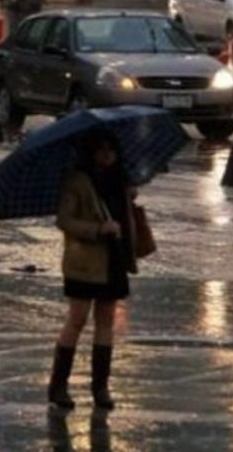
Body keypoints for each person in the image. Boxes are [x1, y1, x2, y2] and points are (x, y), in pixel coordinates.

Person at [48, 131, 139, 411]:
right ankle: (58, 384)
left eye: (111, 149)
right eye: (101, 149)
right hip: (85, 262)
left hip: (114, 259)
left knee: (105, 321)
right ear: (90, 152)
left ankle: (100, 387)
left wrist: (129, 200)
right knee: (77, 319)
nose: (107, 155)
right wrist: (98, 229)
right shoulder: (77, 181)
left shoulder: (121, 181)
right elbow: (64, 220)